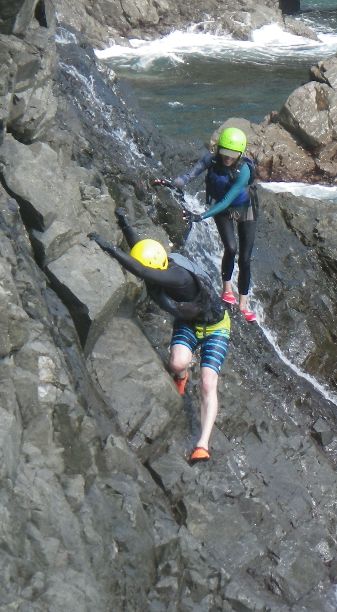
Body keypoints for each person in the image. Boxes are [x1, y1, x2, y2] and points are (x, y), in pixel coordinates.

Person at [90, 212, 229, 464]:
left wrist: (109, 247)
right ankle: (182, 375)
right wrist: (125, 223)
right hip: (189, 322)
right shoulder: (158, 262)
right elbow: (140, 251)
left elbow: (142, 269)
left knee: (208, 383)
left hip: (216, 326)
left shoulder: (179, 277)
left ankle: (202, 444)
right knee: (177, 364)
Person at [156, 126, 258, 323]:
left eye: (232, 155)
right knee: (230, 248)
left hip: (244, 208)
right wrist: (171, 183)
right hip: (223, 211)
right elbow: (188, 176)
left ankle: (243, 305)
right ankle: (227, 289)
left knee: (245, 259)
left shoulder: (243, 170)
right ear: (218, 149)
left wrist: (200, 216)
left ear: (240, 153)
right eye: (224, 153)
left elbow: (227, 201)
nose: (227, 158)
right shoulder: (210, 160)